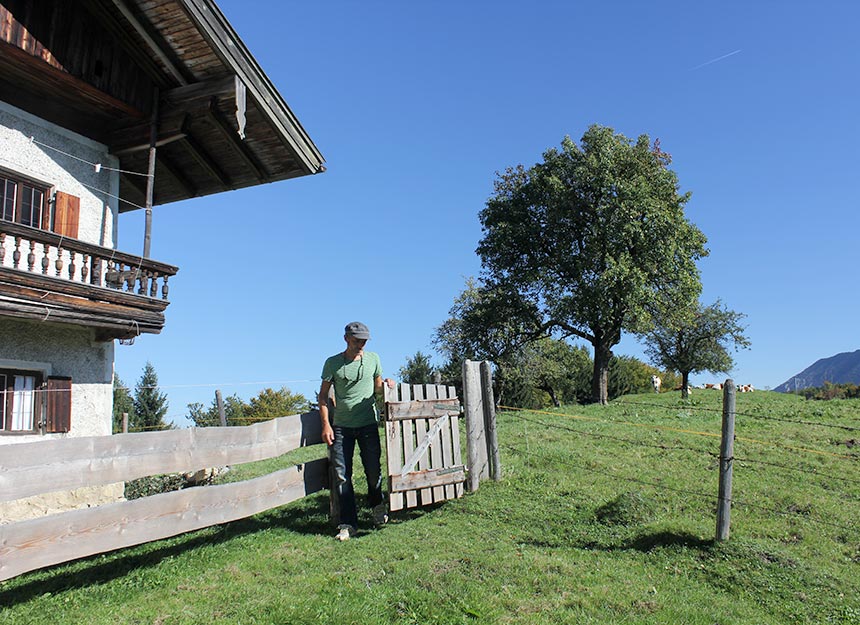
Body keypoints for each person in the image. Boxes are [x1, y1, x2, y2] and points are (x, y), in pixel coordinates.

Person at [319, 321, 394, 541]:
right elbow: (323, 396)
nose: (361, 344)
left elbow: (377, 388)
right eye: (357, 340)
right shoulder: (332, 363)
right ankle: (348, 524)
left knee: (373, 470)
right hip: (342, 426)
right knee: (343, 476)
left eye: (364, 341)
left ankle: (377, 506)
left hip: (368, 423)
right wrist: (326, 424)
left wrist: (388, 383)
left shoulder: (374, 359)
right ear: (346, 339)